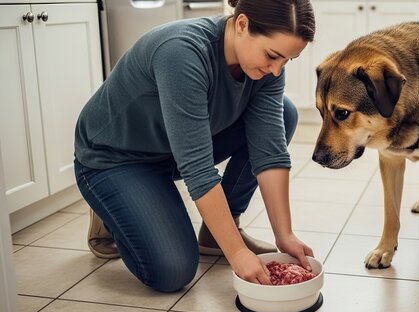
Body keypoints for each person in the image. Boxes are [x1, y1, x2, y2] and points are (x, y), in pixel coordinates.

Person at [74, 0, 315, 292]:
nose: (277, 70)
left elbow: (270, 150)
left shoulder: (266, 68)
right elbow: (198, 169)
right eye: (272, 56)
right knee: (172, 272)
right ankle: (111, 208)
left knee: (284, 113)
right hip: (115, 158)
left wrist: (284, 234)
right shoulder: (181, 52)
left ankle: (217, 235)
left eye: (287, 61)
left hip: (172, 149)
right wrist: (237, 252)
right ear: (242, 25)